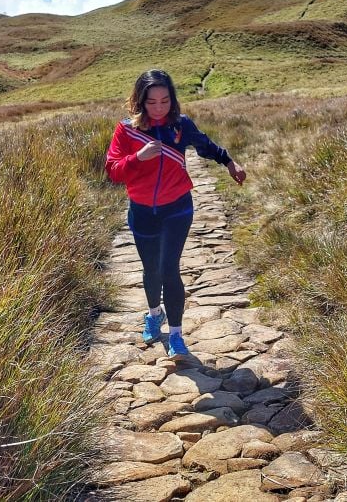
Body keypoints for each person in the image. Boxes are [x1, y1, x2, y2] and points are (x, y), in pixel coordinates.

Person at [104, 69, 246, 359]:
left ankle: (177, 335)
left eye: (164, 101)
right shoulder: (126, 130)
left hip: (177, 208)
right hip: (142, 210)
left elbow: (205, 145)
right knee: (151, 269)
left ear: (173, 99)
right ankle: (154, 314)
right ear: (140, 101)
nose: (158, 108)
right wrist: (137, 157)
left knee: (169, 269)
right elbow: (112, 171)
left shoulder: (180, 125)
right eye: (151, 102)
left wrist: (230, 162)